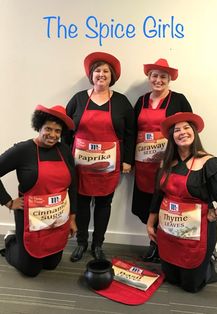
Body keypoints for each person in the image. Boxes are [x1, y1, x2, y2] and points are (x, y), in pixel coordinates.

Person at [147, 112, 217, 292]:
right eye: (177, 130)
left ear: (194, 132)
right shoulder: (166, 162)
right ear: (172, 136)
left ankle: (206, 266)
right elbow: (158, 194)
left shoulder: (208, 162)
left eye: (187, 128)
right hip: (169, 229)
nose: (182, 132)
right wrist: (150, 223)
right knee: (171, 277)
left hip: (197, 233)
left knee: (190, 285)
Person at [63, 51, 135, 261]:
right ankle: (82, 243)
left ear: (111, 76)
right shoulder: (78, 99)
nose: (101, 75)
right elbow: (66, 130)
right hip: (80, 165)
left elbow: (131, 133)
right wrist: (65, 158)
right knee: (82, 204)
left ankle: (98, 245)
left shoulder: (121, 102)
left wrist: (128, 160)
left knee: (104, 204)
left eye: (105, 71)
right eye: (97, 71)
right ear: (91, 75)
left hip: (109, 165)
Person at [0, 105, 78, 277]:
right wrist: (8, 202)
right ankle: (11, 241)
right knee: (30, 270)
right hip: (30, 217)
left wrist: (72, 217)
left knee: (51, 265)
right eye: (48, 129)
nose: (53, 135)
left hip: (57, 216)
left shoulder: (64, 150)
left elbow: (73, 185)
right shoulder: (23, 150)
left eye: (57, 131)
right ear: (39, 127)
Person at [131, 58, 192, 262]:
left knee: (165, 202)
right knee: (146, 204)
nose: (158, 80)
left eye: (163, 76)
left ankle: (159, 247)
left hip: (169, 163)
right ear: (149, 78)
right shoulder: (141, 101)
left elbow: (188, 130)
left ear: (169, 79)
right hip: (144, 164)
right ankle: (155, 242)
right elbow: (132, 131)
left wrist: (185, 158)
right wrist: (128, 160)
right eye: (154, 75)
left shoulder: (179, 100)